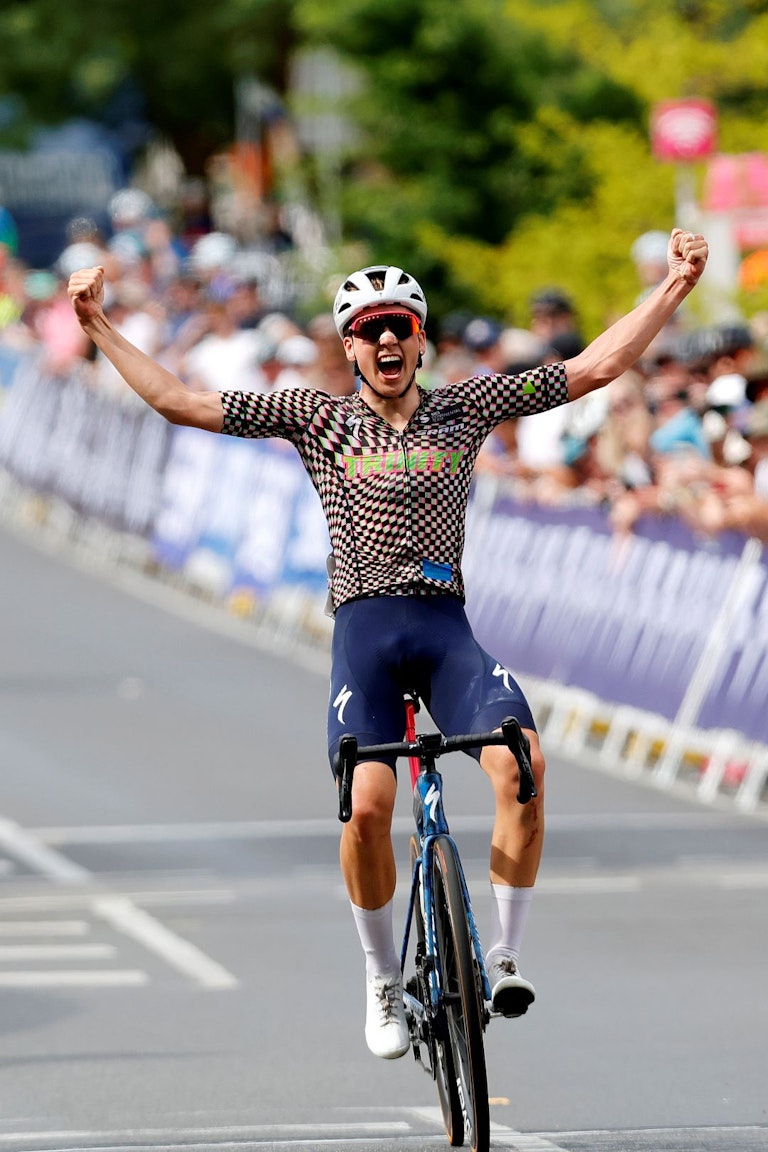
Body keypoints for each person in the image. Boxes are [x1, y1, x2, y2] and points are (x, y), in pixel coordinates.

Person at [67, 228, 709, 1061]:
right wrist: (98, 326)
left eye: (398, 325)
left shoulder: (467, 406)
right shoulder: (315, 416)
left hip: (445, 628)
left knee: (524, 762)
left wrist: (674, 289)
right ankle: (379, 979)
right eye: (367, 330)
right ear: (350, 349)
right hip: (365, 632)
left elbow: (590, 369)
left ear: (421, 339)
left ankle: (505, 953)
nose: (384, 340)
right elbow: (183, 403)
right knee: (368, 806)